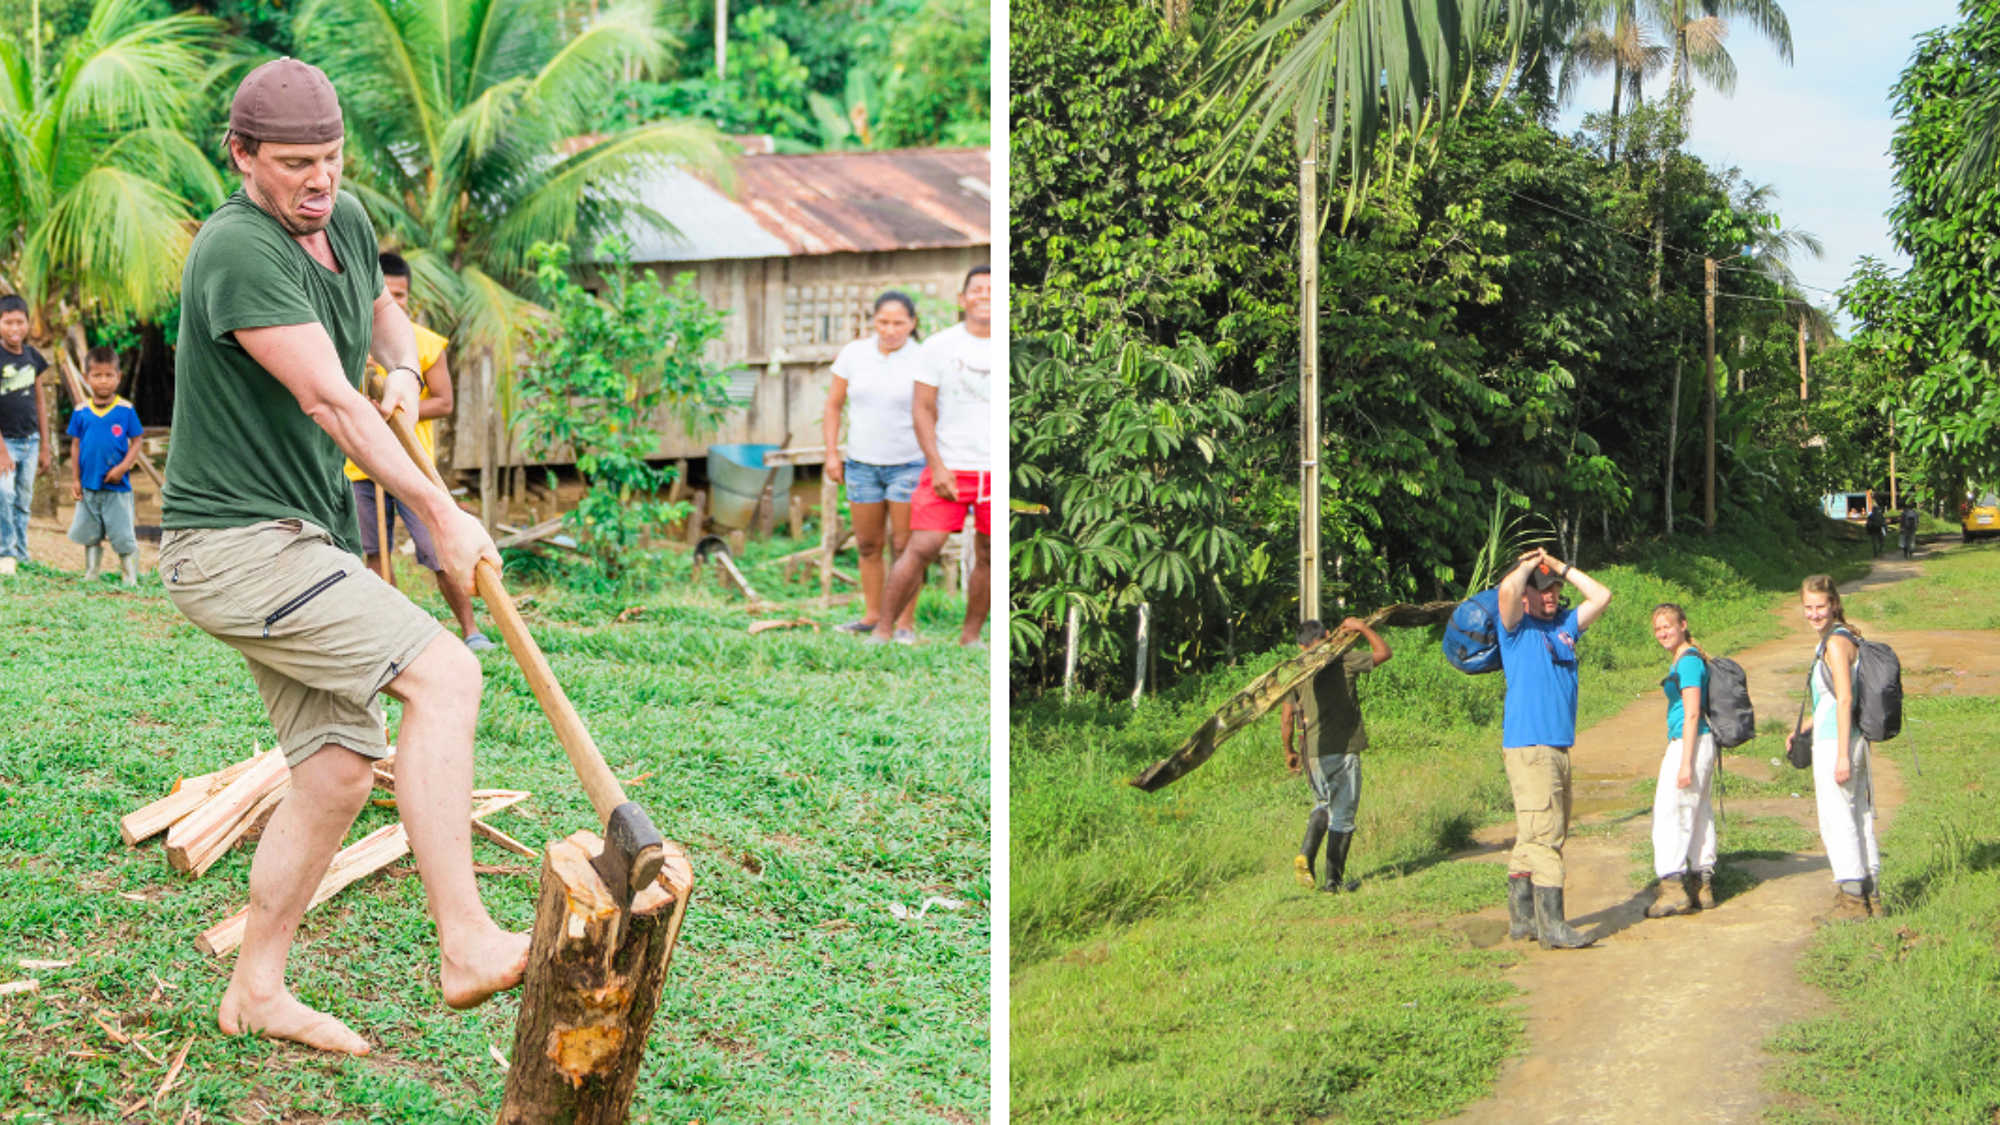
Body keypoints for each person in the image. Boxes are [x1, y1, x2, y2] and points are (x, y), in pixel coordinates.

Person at [158, 58, 525, 1056]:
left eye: (328, 159)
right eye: (292, 164)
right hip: (234, 544)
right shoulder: (236, 249)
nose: (316, 180)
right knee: (446, 676)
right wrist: (439, 512)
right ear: (241, 157)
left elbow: (378, 312)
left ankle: (258, 991)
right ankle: (465, 943)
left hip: (295, 536)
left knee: (332, 770)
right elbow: (327, 398)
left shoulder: (345, 218)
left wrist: (403, 368)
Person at [347, 252, 492, 651]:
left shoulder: (425, 344)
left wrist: (396, 411)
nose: (392, 301)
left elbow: (444, 402)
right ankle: (391, 637)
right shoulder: (348, 342)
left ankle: (471, 630)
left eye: (400, 294)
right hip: (362, 468)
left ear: (411, 297)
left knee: (440, 551)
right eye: (385, 293)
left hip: (414, 466)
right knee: (376, 556)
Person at [867, 265, 992, 648]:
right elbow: (921, 408)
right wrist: (936, 464)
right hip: (950, 466)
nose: (984, 295)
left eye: (992, 288)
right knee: (921, 547)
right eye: (976, 289)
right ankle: (883, 630)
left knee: (989, 552)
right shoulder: (940, 346)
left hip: (995, 470)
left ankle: (970, 636)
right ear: (962, 298)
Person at [1496, 547, 1614, 950]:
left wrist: (1560, 567)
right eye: (1541, 590)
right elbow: (1505, 592)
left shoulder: (1565, 625)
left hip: (1557, 745)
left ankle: (1522, 920)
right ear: (1527, 594)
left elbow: (1601, 596)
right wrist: (1527, 565)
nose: (1549, 596)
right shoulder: (1514, 628)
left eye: (1554, 590)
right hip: (1530, 745)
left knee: (1538, 830)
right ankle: (1553, 927)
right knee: (1545, 834)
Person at [823, 292, 927, 642]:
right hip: (861, 463)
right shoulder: (854, 354)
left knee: (905, 546)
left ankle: (904, 624)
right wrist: (832, 454)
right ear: (873, 322)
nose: (891, 329)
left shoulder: (924, 358)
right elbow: (834, 406)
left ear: (912, 323)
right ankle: (871, 615)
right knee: (868, 544)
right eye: (883, 321)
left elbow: (934, 412)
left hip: (909, 463)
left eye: (899, 322)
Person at [1281, 617, 1391, 893]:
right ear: (1328, 635)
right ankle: (1333, 882)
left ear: (1300, 646)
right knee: (1342, 816)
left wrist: (1290, 751)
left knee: (1322, 805)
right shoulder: (1345, 660)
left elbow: (1286, 719)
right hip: (1343, 749)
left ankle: (1306, 854)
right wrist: (1363, 629)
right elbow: (1384, 653)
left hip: (1313, 753)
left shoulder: (1297, 671)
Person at [1799, 575, 1880, 922]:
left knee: (1837, 818)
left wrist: (1842, 755)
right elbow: (1831, 700)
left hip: (1839, 741)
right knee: (1858, 814)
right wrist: (1803, 729)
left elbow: (1845, 698)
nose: (1815, 614)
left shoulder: (1834, 643)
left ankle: (1850, 900)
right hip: (1846, 736)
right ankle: (1871, 896)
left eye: (1820, 606)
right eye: (1808, 607)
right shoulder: (1843, 638)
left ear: (1834, 604)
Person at [1643, 603, 1717, 918]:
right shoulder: (1687, 658)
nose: (1662, 633)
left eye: (1668, 626)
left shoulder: (1687, 662)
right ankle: (1703, 885)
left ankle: (1672, 887)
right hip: (1698, 742)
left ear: (1683, 625)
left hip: (1690, 742)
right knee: (1698, 811)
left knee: (1670, 813)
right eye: (1658, 628)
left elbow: (1692, 712)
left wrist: (1685, 761)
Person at [65, 346, 144, 586]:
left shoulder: (126, 410)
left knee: (122, 533)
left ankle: (129, 575)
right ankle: (91, 573)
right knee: (90, 533)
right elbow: (75, 447)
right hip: (89, 486)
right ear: (86, 378)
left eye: (109, 375)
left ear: (118, 378)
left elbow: (137, 441)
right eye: (97, 375)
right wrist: (76, 479)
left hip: (117, 488)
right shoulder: (81, 412)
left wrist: (123, 467)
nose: (103, 381)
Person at [0, 294, 54, 574]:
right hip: (4, 442)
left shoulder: (33, 357)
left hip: (30, 441)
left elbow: (40, 402)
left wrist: (45, 447)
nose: (14, 328)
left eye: (19, 322)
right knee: (3, 493)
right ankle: (5, 553)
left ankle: (22, 553)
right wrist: (1, 450)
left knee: (23, 499)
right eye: (8, 322)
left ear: (27, 323)